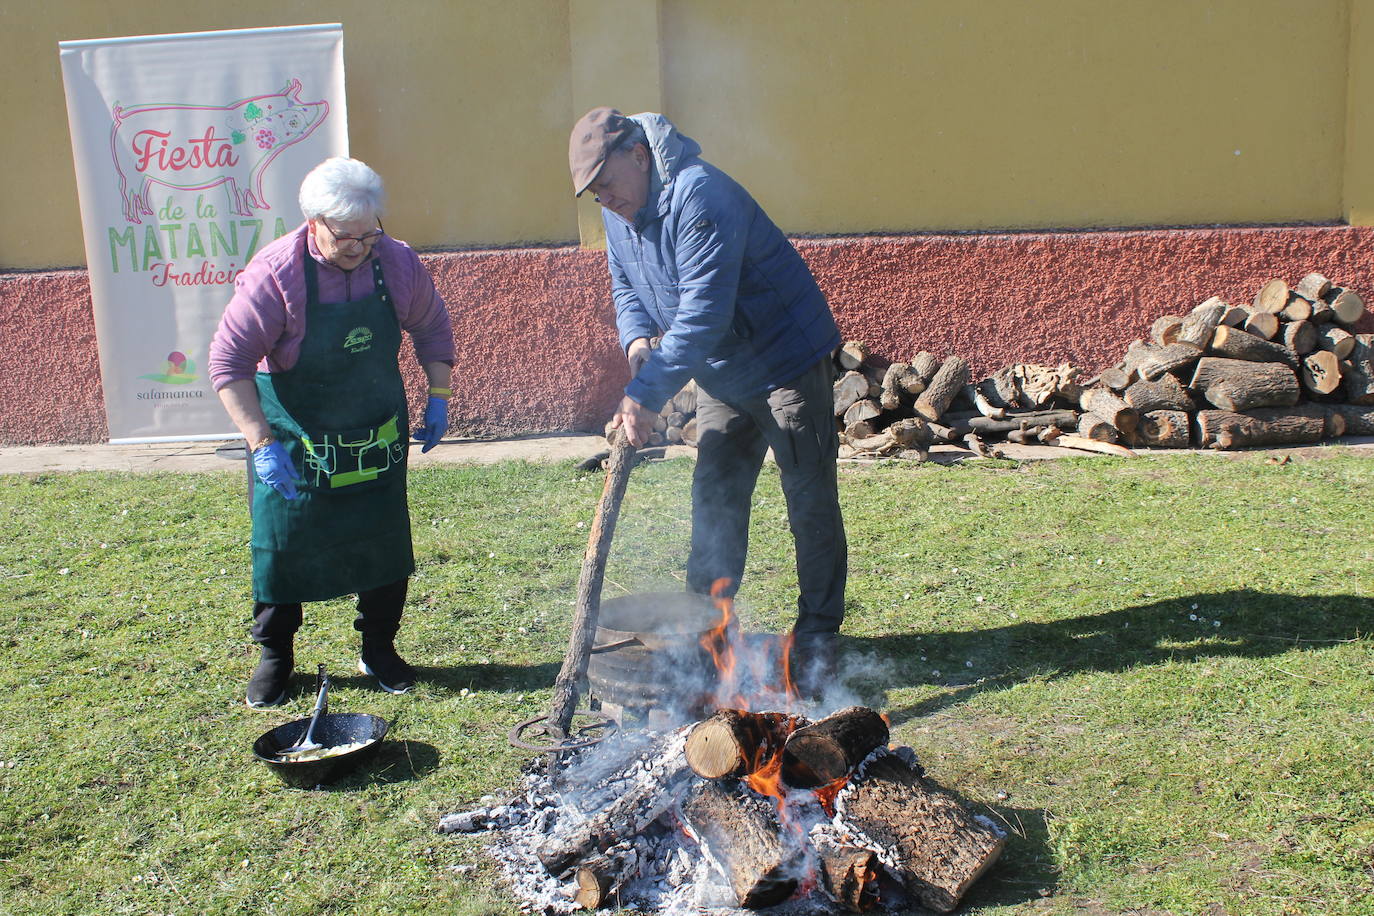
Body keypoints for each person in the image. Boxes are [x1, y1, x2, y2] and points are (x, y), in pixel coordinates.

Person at [568, 107, 847, 696]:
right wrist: (638, 339)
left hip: (783, 363)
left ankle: (819, 643)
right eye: (593, 194)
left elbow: (702, 314)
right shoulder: (621, 212)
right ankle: (709, 633)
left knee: (808, 500)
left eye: (607, 183)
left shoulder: (700, 195)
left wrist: (645, 395)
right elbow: (626, 286)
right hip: (723, 371)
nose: (604, 199)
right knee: (715, 494)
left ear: (638, 156)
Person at [209, 157, 455, 708]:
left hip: (374, 437)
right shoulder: (276, 274)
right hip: (294, 444)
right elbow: (229, 364)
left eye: (370, 235)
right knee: (282, 547)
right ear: (315, 221)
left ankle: (379, 649)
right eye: (347, 237)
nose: (360, 247)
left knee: (384, 545)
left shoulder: (394, 262)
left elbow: (433, 326)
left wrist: (438, 396)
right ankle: (276, 658)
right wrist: (260, 443)